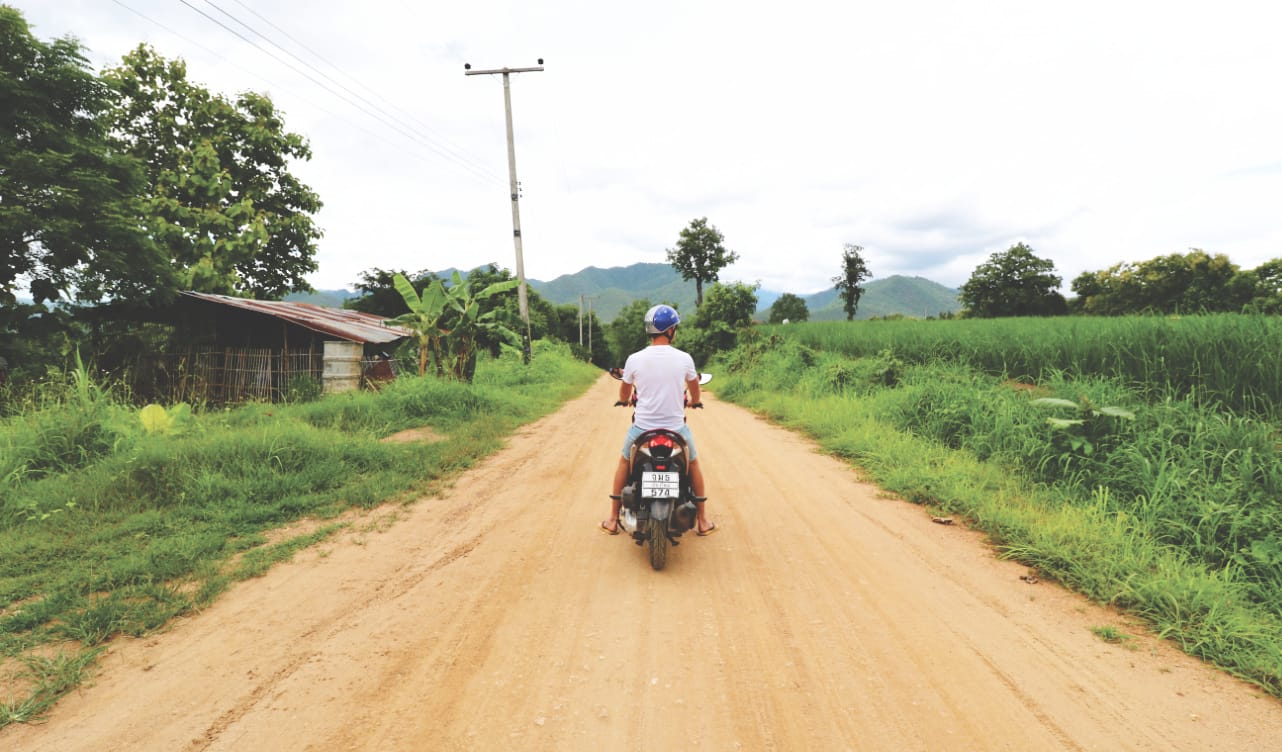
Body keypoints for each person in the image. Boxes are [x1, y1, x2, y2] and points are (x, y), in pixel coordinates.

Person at [601, 304, 717, 536]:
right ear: (671, 329)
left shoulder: (634, 359)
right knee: (692, 463)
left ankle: (613, 519)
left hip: (642, 429)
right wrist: (694, 401)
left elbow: (624, 394)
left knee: (625, 461)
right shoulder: (684, 358)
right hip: (676, 430)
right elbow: (695, 391)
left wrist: (625, 401)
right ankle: (703, 521)